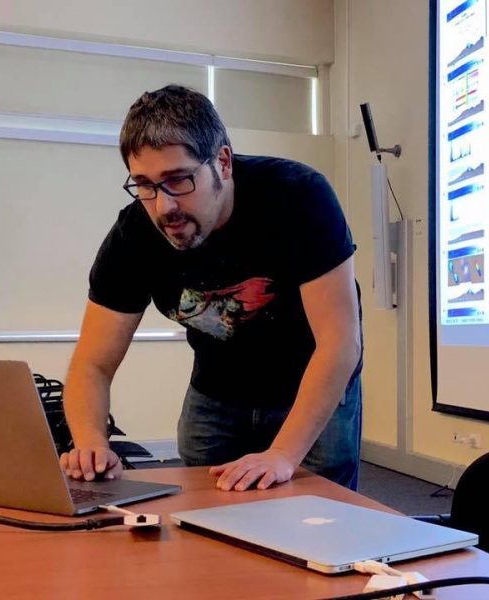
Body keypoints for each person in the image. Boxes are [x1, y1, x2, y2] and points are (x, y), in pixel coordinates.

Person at [59, 85, 363, 491]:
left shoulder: (297, 196)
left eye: (178, 180)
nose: (163, 206)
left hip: (309, 385)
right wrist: (91, 442)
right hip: (216, 394)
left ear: (222, 161)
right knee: (205, 522)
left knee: (324, 522)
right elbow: (92, 363)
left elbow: (339, 344)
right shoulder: (133, 235)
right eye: (145, 185)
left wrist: (283, 454)